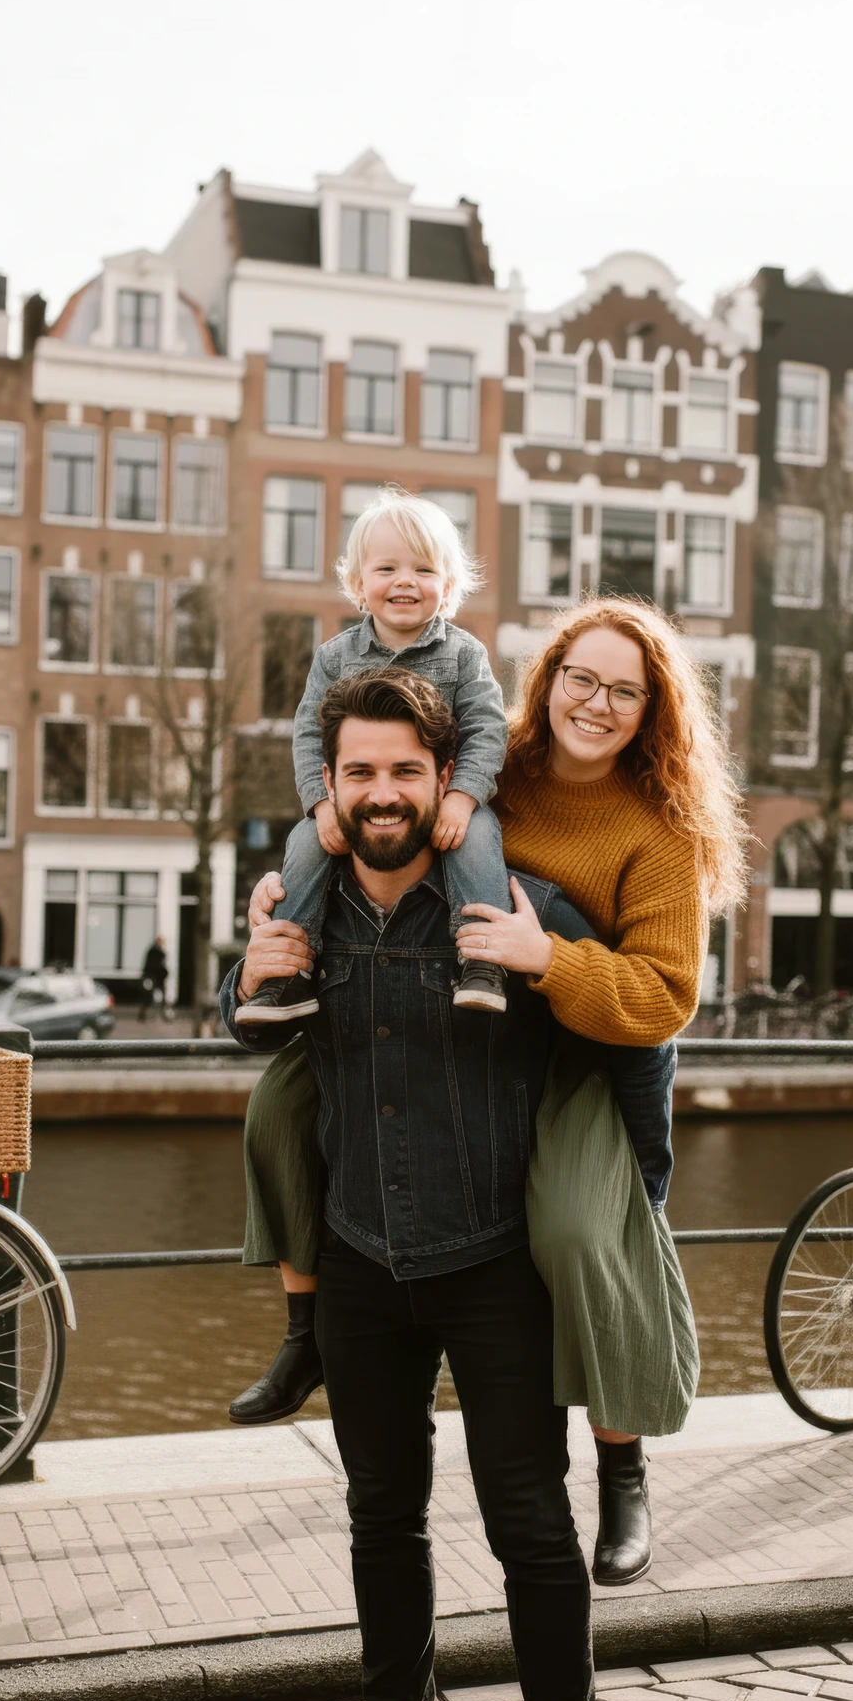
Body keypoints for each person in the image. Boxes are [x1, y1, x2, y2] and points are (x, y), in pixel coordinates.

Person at [232, 597, 745, 1586]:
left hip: (587, 1049)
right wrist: (289, 894)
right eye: (579, 679)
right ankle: (304, 1334)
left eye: (624, 691)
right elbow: (383, 820)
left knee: (577, 1234)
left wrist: (544, 956)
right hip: (468, 1032)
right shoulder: (486, 765)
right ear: (547, 679)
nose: (595, 704)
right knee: (282, 1114)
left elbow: (663, 996)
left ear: (652, 711)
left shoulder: (658, 832)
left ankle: (621, 1464)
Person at [221, 668, 608, 1701]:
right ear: (326, 790)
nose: (380, 793)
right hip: (356, 1265)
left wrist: (557, 962)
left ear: (444, 785)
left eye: (403, 771)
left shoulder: (518, 907)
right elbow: (257, 1045)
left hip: (493, 1269)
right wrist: (242, 986)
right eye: (358, 773)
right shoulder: (300, 917)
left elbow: (631, 1037)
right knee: (378, 1523)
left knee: (532, 1536)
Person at [234, 487, 512, 1026]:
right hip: (350, 803)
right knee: (303, 843)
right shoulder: (335, 656)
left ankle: (482, 959)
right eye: (387, 568)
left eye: (424, 569)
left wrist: (462, 797)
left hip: (445, 796)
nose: (405, 580)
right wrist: (321, 806)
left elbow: (486, 728)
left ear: (448, 588)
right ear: (359, 585)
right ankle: (286, 971)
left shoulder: (465, 653)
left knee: (478, 837)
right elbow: (308, 736)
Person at [138, 936, 169, 1022]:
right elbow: (155, 965)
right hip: (153, 977)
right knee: (148, 996)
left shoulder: (155, 951)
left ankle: (144, 1014)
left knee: (153, 996)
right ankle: (143, 1014)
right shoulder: (155, 951)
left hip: (157, 978)